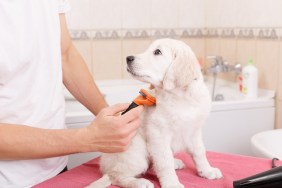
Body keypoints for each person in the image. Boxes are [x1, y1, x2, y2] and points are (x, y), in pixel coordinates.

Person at [0, 1, 144, 187]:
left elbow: (65, 54)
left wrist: (114, 121)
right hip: (9, 179)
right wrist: (88, 138)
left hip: (55, 169)